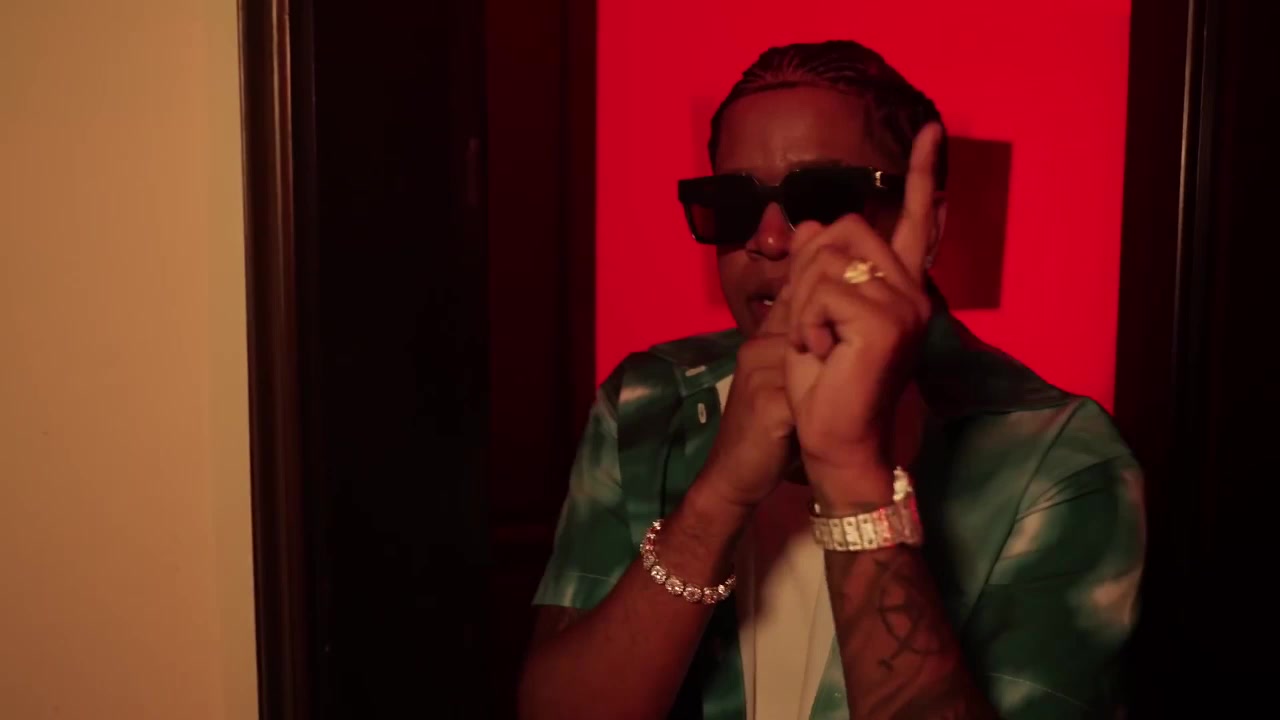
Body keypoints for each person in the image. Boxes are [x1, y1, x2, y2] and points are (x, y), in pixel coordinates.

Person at [518, 39, 1145, 720]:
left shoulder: (1057, 457)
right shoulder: (647, 403)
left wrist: (849, 471)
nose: (768, 239)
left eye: (818, 196)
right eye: (731, 202)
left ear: (927, 227)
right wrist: (719, 495)